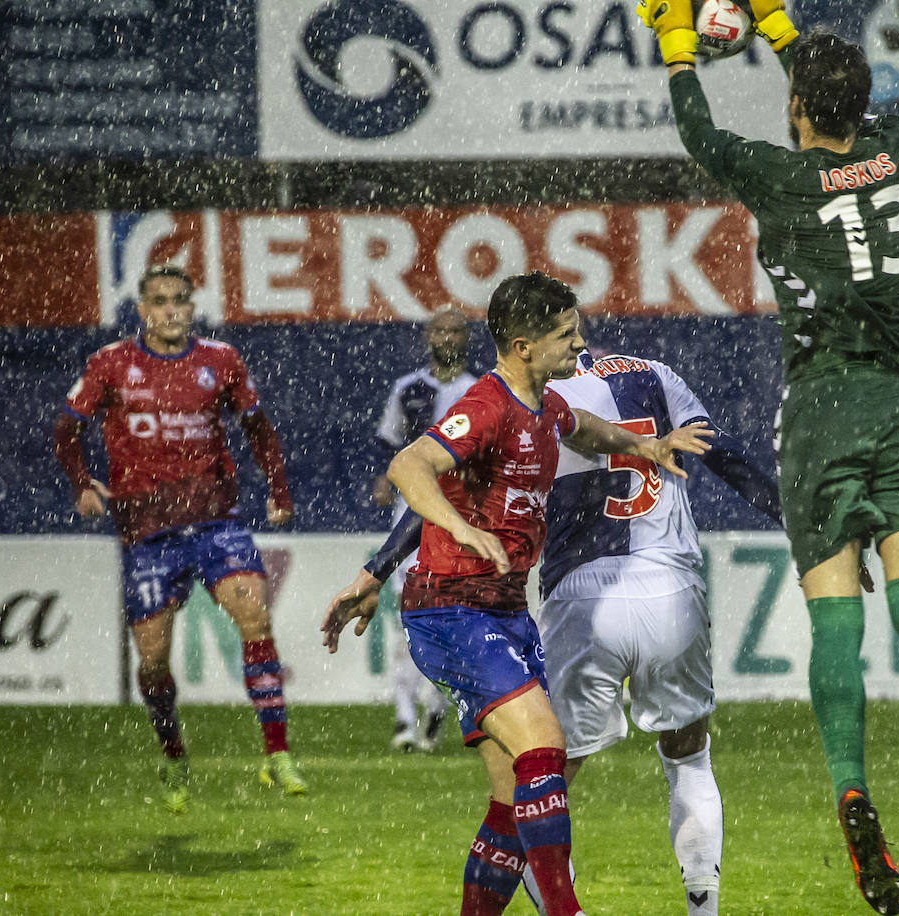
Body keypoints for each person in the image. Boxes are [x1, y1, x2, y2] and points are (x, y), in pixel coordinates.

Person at [637, 6, 899, 912]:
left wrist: (677, 45)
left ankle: (854, 792)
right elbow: (834, 96)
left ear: (794, 109)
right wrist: (782, 27)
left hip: (821, 412)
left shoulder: (780, 179)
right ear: (864, 98)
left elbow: (700, 130)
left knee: (834, 628)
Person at [321, 271, 713, 916]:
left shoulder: (543, 406)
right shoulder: (487, 406)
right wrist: (455, 524)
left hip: (502, 610)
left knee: (514, 800)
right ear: (524, 346)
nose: (579, 342)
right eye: (566, 333)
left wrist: (644, 442)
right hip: (451, 608)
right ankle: (566, 911)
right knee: (544, 747)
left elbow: (583, 427)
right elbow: (409, 466)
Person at [364, 346, 782, 916]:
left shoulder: (533, 398)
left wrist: (378, 567)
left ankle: (557, 906)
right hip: (671, 590)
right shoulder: (653, 373)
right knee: (688, 759)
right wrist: (793, 520)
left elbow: (442, 482)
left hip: (582, 596)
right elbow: (723, 454)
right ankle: (700, 908)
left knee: (537, 778)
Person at [52, 263, 305, 815]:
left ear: (193, 308)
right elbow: (66, 428)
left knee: (255, 615)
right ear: (142, 310)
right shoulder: (111, 365)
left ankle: (278, 751)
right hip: (148, 534)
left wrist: (278, 490)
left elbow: (258, 428)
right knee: (153, 659)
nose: (170, 310)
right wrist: (80, 485)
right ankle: (173, 755)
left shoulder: (221, 361)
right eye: (159, 301)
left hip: (216, 521)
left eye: (180, 301)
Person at [373, 306, 480, 752]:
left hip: (462, 512)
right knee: (407, 615)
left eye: (455, 330)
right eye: (439, 330)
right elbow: (390, 444)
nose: (447, 337)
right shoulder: (408, 389)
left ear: (467, 338)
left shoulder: (481, 389)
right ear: (427, 337)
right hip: (413, 512)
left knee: (448, 615)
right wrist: (384, 478)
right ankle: (403, 716)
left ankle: (436, 708)